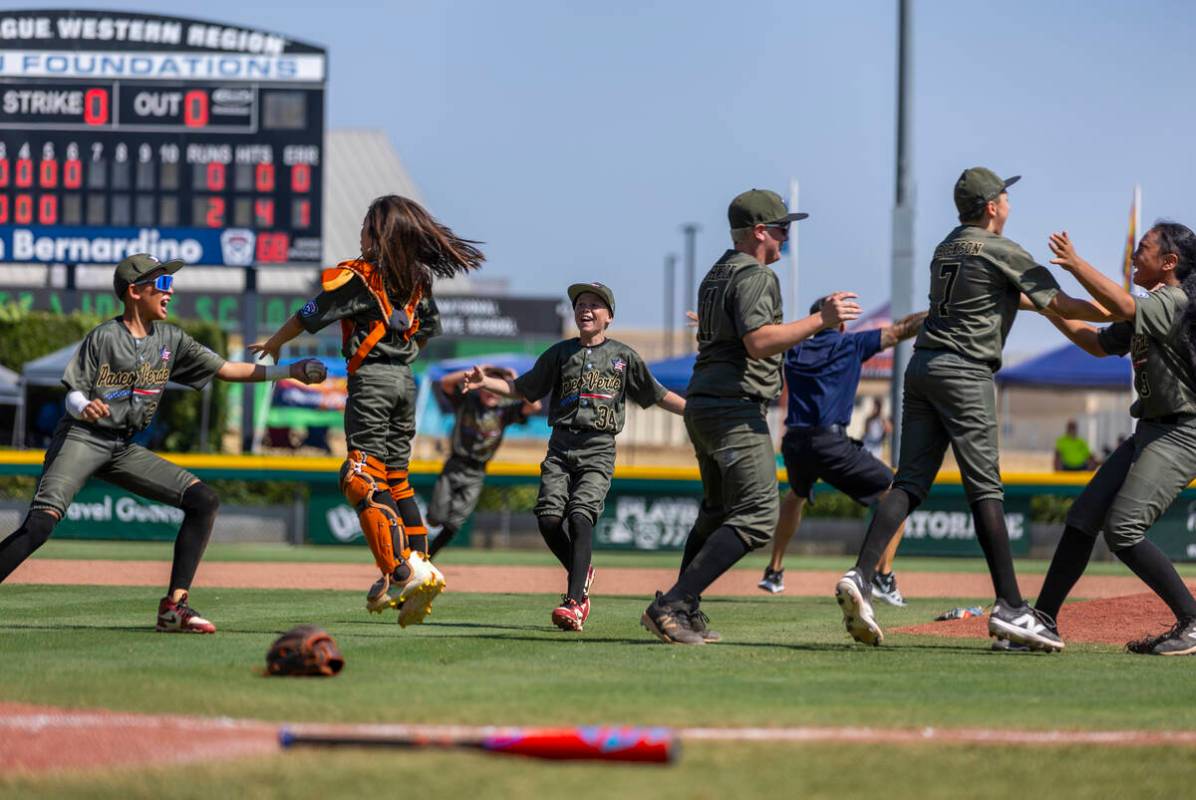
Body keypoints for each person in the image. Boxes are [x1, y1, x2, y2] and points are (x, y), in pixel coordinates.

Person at [834, 167, 1113, 649]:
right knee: (986, 488)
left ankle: (861, 576)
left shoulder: (947, 245)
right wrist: (1121, 309)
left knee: (907, 484)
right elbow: (1063, 305)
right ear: (992, 206)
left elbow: (1003, 298)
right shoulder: (1001, 247)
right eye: (1005, 196)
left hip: (922, 367)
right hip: (965, 370)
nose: (1009, 202)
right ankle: (1011, 606)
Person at [0, 253, 328, 633]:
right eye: (162, 284)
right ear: (135, 291)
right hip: (82, 437)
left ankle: (175, 608)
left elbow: (226, 369)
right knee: (40, 525)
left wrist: (291, 371)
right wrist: (83, 406)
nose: (170, 292)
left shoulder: (171, 339)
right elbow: (72, 390)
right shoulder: (105, 337)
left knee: (203, 500)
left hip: (122, 446)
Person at [641, 188, 861, 645]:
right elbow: (759, 342)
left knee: (718, 511)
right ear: (760, 232)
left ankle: (685, 607)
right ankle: (672, 604)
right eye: (782, 228)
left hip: (705, 402)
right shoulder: (756, 275)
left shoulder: (717, 273)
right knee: (760, 516)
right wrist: (821, 319)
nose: (786, 237)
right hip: (733, 408)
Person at [253, 195, 482, 627]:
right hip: (405, 381)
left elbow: (309, 314)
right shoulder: (418, 281)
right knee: (396, 478)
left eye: (365, 226)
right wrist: (400, 357)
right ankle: (422, 564)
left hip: (372, 381)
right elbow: (428, 330)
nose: (359, 233)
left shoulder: (359, 278)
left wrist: (275, 344)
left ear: (379, 235)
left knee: (359, 475)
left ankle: (399, 573)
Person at [465, 282, 685, 631]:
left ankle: (575, 601)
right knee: (548, 519)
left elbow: (656, 394)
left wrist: (693, 411)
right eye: (581, 303)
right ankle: (582, 571)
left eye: (595, 304)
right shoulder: (559, 354)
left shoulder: (623, 357)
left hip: (599, 447)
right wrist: (486, 382)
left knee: (581, 516)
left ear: (609, 317)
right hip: (561, 446)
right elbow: (523, 390)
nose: (586, 309)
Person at [1028, 222, 1196, 655]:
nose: (1133, 257)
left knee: (1123, 529)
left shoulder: (1173, 302)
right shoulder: (1147, 308)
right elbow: (1096, 345)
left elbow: (1120, 301)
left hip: (1182, 432)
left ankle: (1193, 623)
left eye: (1143, 250)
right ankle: (1042, 621)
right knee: (1083, 517)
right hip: (1151, 429)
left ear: (1169, 263)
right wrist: (1047, 309)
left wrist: (1075, 263)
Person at [758, 298, 927, 606]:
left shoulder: (793, 349)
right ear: (842, 323)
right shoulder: (849, 344)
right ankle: (883, 576)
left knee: (795, 495)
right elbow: (902, 329)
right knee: (897, 491)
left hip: (794, 442)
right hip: (830, 442)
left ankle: (774, 570)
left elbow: (752, 343)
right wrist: (943, 309)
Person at [426, 366, 540, 558]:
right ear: (480, 387)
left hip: (477, 472)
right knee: (435, 519)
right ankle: (417, 548)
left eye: (496, 388)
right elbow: (446, 382)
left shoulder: (505, 412)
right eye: (488, 386)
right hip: (455, 465)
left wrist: (515, 382)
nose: (491, 393)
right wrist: (482, 369)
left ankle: (426, 557)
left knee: (455, 522)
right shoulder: (467, 401)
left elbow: (534, 406)